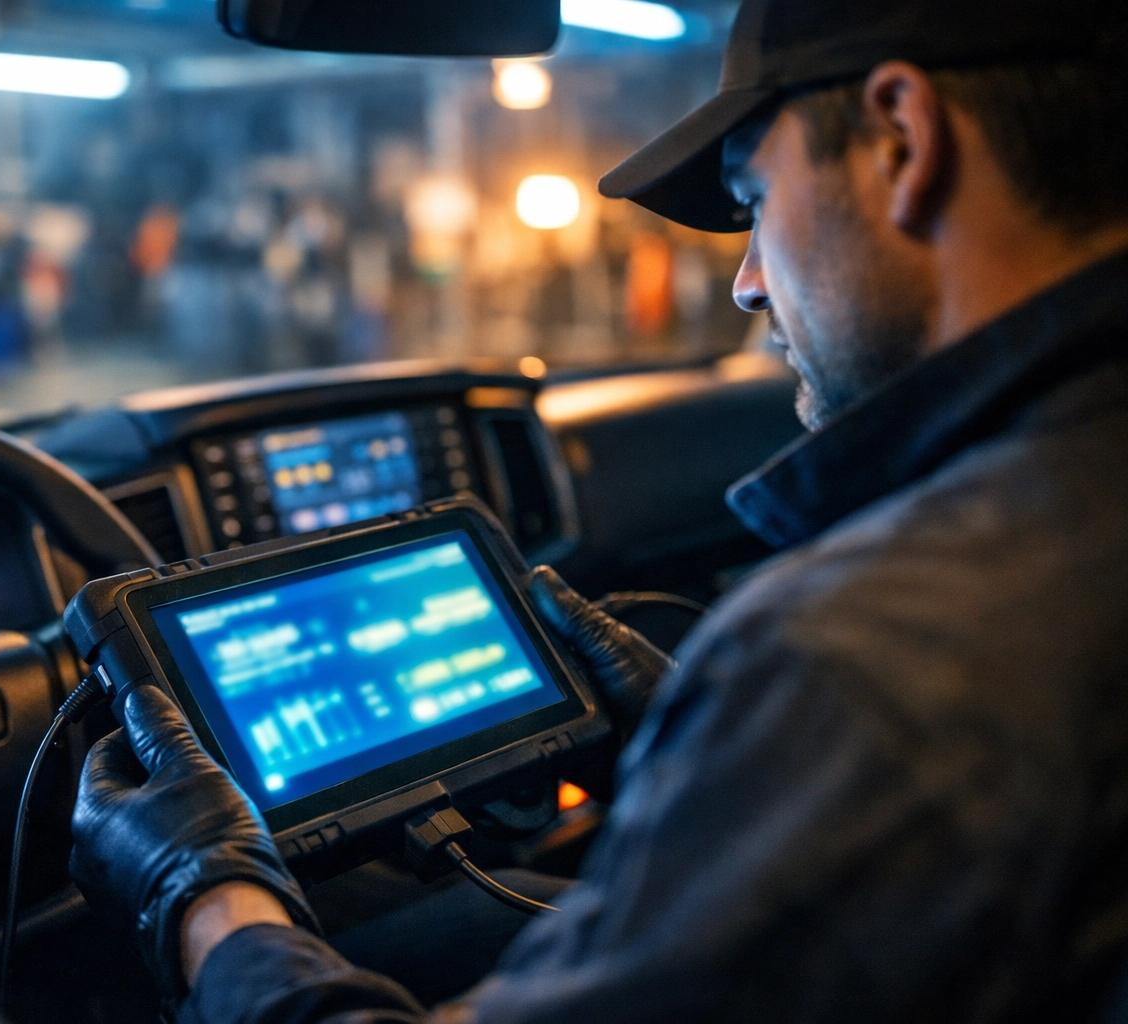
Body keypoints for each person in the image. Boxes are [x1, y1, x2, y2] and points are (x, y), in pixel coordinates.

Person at [67, 0, 1128, 1019]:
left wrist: (207, 900)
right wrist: (703, 759)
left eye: (755, 200)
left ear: (902, 138)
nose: (747, 283)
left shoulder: (865, 660)